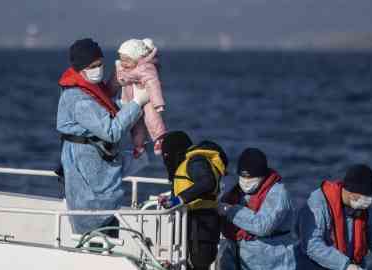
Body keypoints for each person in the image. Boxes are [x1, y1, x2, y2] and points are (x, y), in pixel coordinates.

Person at [56, 38, 150, 236]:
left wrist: (117, 81)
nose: (98, 69)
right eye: (93, 66)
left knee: (106, 216)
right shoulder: (78, 99)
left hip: (100, 165)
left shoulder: (88, 87)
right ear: (81, 68)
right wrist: (137, 102)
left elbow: (103, 99)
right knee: (93, 221)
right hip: (87, 172)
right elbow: (111, 131)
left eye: (101, 64)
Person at [297, 164, 372, 270]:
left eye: (370, 197)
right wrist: (346, 265)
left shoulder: (365, 208)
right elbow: (312, 245)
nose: (368, 202)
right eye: (364, 196)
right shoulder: (318, 204)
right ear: (350, 192)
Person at [158, 131, 228, 270]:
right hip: (192, 227)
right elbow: (190, 187)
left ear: (176, 151)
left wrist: (179, 200)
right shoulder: (186, 164)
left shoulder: (195, 162)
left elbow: (207, 182)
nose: (166, 159)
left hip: (202, 228)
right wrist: (170, 199)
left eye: (167, 155)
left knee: (199, 265)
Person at [217, 148, 296, 270]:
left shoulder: (278, 194)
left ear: (263, 177)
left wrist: (231, 211)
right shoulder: (235, 193)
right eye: (243, 178)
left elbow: (263, 226)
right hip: (240, 260)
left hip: (273, 263)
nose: (246, 183)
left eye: (251, 179)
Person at [111, 38, 166, 158]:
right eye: (122, 59)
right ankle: (139, 145)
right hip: (132, 100)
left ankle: (159, 139)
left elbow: (154, 84)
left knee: (152, 119)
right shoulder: (121, 69)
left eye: (127, 60)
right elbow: (114, 83)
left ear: (137, 58)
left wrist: (158, 103)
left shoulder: (146, 69)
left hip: (148, 100)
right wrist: (108, 93)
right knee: (135, 124)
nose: (123, 63)